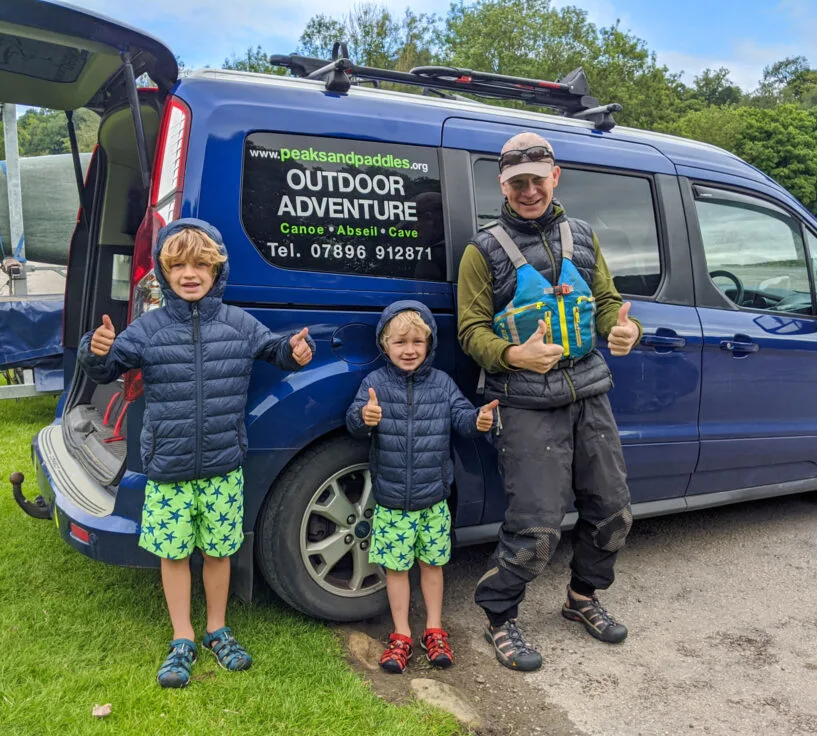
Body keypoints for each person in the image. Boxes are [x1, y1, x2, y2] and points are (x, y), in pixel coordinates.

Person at [78, 218, 314, 688]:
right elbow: (106, 366)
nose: (190, 273)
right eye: (178, 265)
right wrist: (94, 348)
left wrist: (294, 352)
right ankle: (182, 636)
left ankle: (217, 629)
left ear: (216, 271)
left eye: (200, 265)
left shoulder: (238, 322)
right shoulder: (148, 328)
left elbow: (273, 349)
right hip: (168, 470)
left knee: (220, 553)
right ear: (165, 272)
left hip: (224, 467)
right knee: (174, 556)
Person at [456, 132, 642, 672]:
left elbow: (606, 303)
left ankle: (581, 598)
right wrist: (515, 354)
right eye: (518, 182)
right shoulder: (481, 251)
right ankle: (498, 616)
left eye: (538, 179)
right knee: (536, 522)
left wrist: (624, 330)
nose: (529, 190)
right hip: (523, 402)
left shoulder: (582, 236)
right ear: (503, 185)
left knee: (613, 509)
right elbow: (469, 332)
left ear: (555, 176)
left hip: (589, 389)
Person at [346, 300, 497, 673]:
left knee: (433, 565)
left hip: (433, 501)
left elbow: (461, 417)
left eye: (417, 341)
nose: (409, 350)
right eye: (399, 343)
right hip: (392, 500)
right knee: (396, 570)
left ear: (430, 343)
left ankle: (434, 628)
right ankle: (400, 635)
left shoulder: (443, 383)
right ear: (384, 345)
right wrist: (365, 416)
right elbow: (353, 420)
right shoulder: (374, 383)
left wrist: (479, 420)